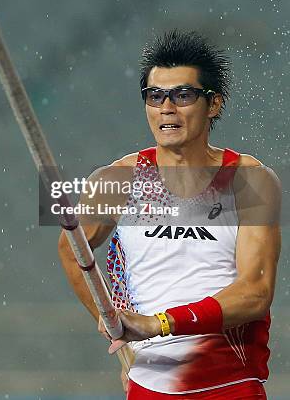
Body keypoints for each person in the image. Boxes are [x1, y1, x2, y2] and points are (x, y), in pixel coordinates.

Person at [58, 29, 281, 399]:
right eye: (155, 96)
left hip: (229, 385)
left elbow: (255, 294)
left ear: (214, 105)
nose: (166, 108)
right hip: (150, 387)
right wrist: (114, 325)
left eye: (183, 95)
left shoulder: (249, 180)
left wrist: (159, 324)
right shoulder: (117, 180)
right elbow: (72, 249)